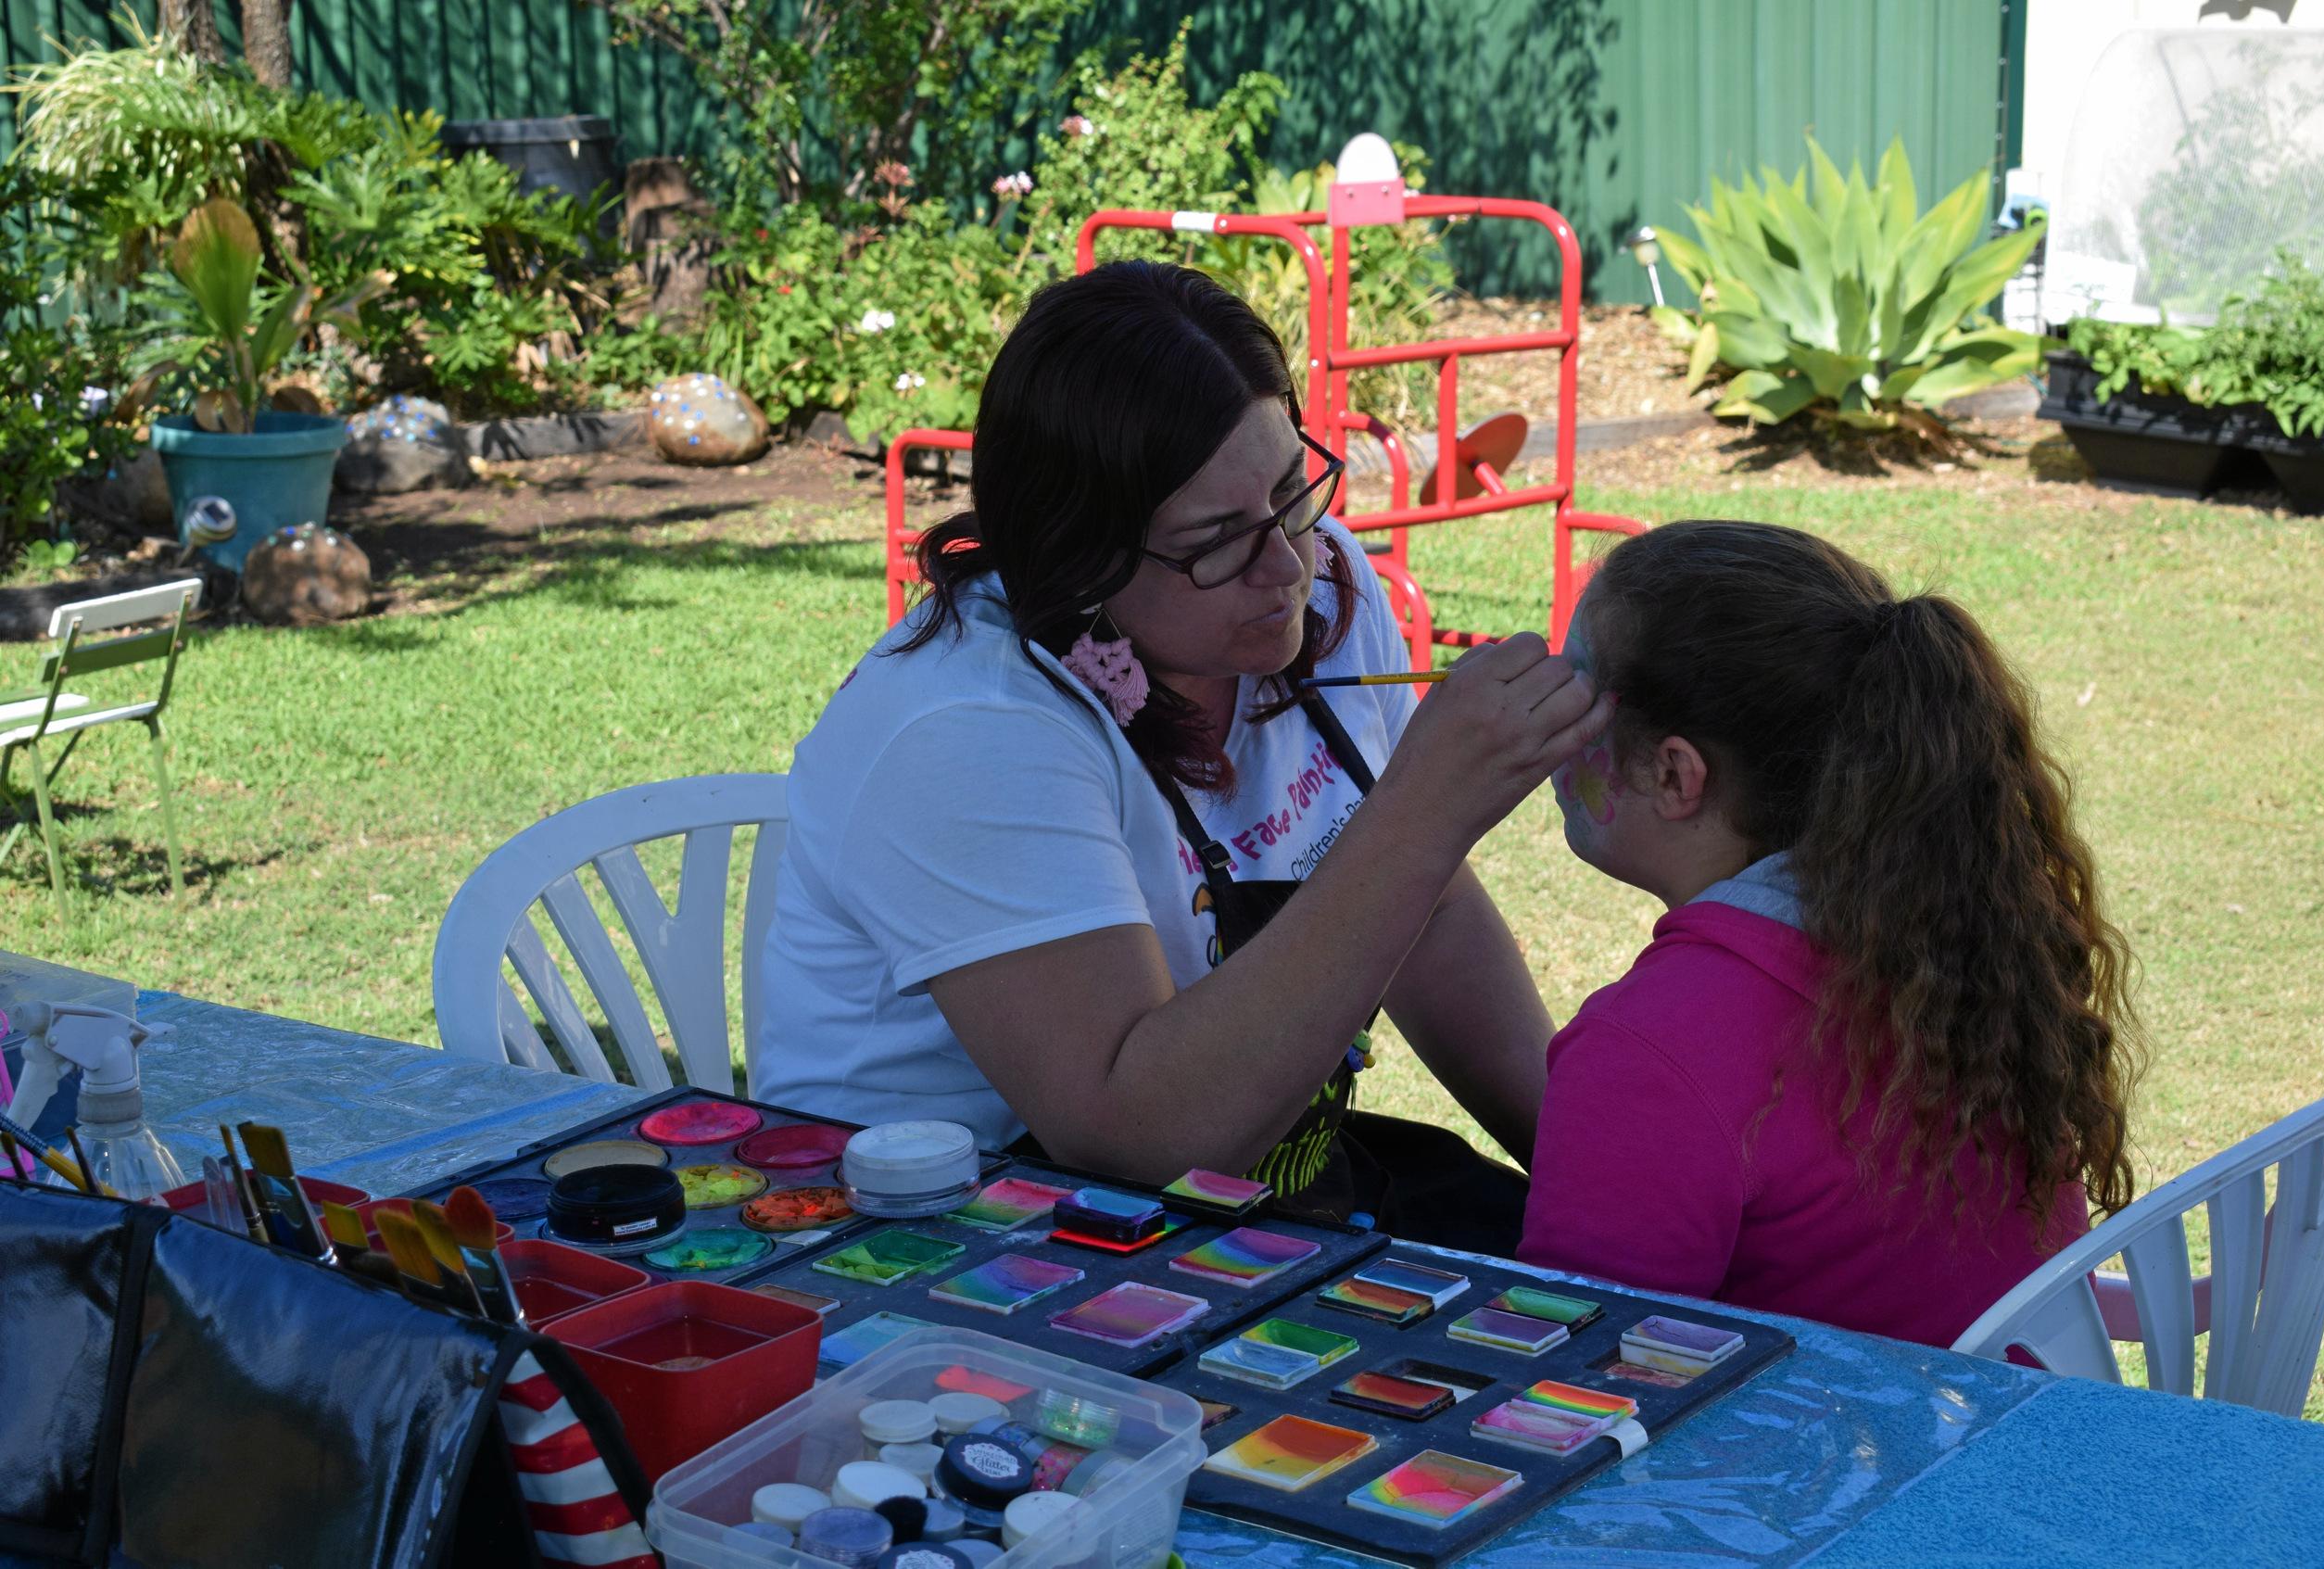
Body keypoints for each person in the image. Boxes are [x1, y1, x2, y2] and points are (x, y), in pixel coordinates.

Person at [756, 262, 1613, 1250]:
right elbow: (1129, 1136)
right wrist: (1423, 812)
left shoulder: (1317, 588)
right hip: (953, 1237)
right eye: (1216, 540)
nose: (1290, 564)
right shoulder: (969, 724)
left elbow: (1427, 919)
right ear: (1078, 555)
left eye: (1293, 490)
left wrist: (1591, 1174)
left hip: (1256, 1182)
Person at [1522, 520, 2142, 1346]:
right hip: (2001, 1444)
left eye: (1576, 689)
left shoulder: (1648, 1049)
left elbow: (1564, 1380)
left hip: (1846, 1468)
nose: (1548, 716)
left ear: (1673, 773)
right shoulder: (1953, 945)